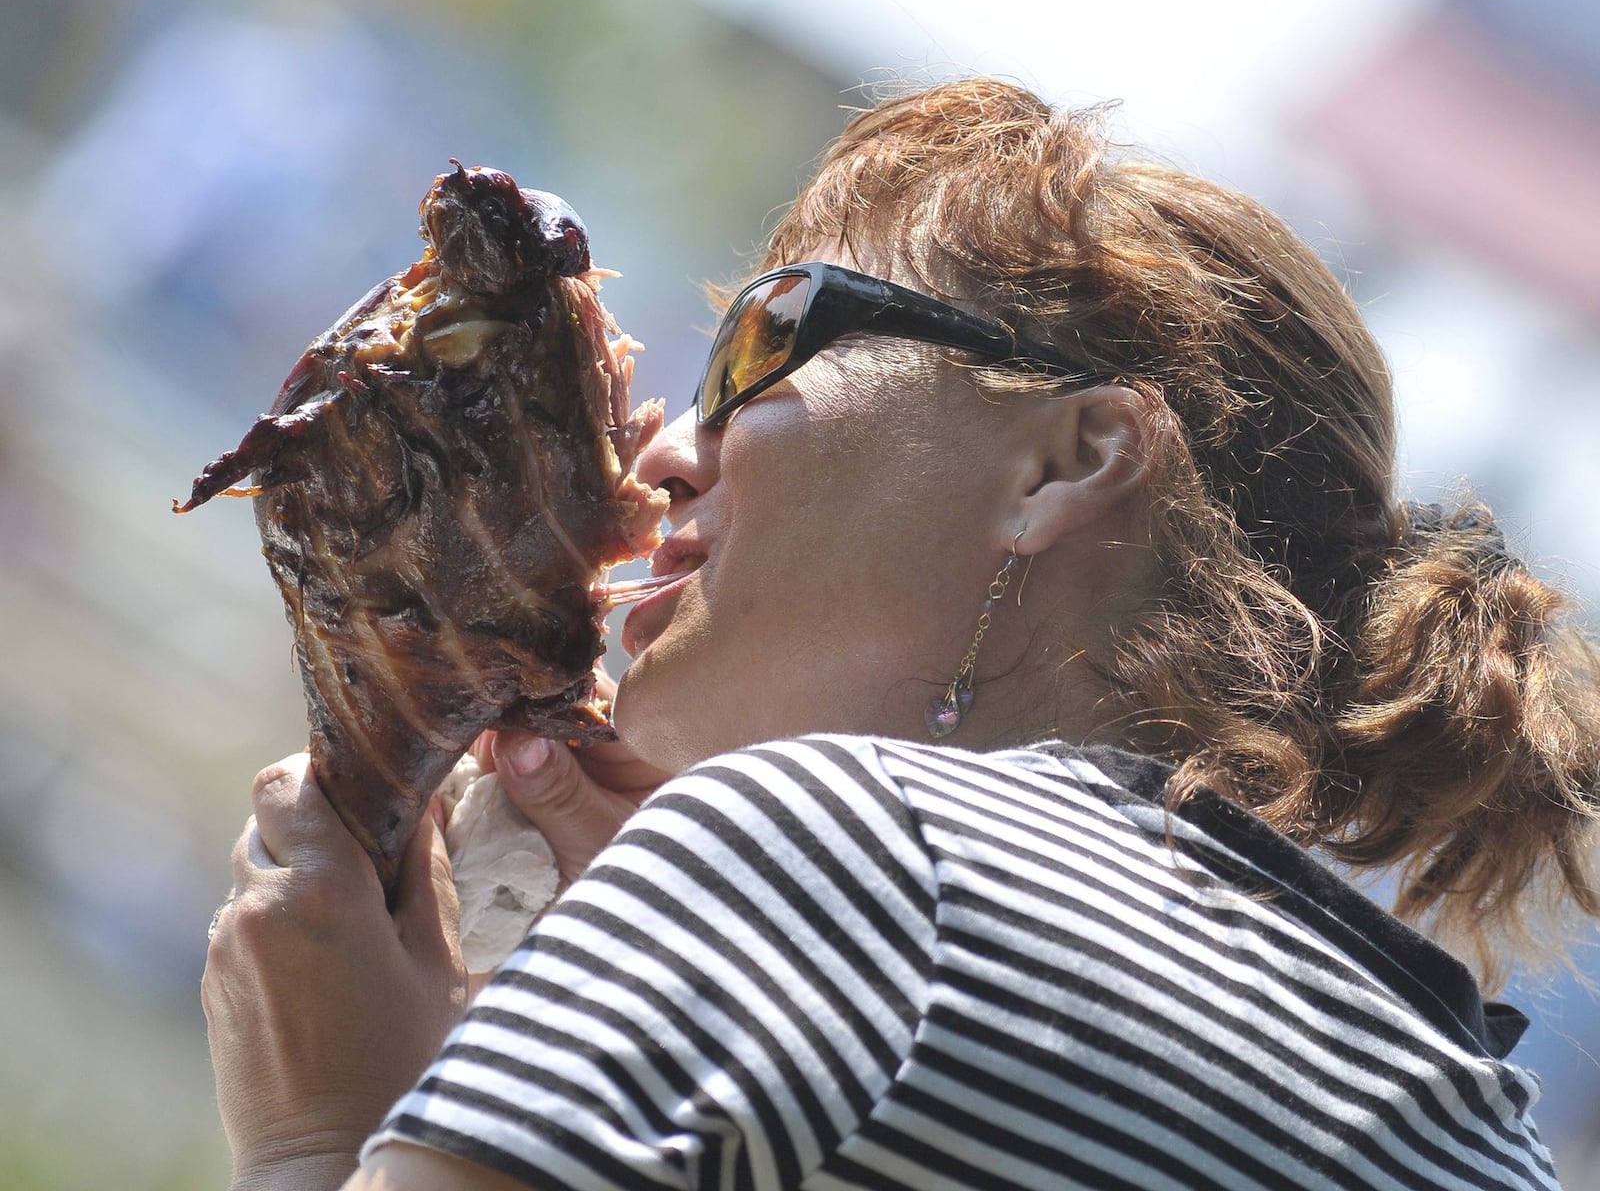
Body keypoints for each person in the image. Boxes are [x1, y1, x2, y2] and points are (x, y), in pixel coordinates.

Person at [202, 78, 1600, 1191]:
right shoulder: (1481, 1134)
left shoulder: (833, 850)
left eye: (766, 344)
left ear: (1068, 462)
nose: (666, 453)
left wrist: (320, 1130)